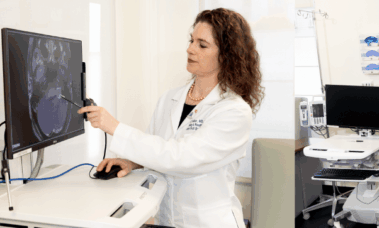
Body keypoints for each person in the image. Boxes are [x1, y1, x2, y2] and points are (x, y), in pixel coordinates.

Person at [78, 8, 262, 228]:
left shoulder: (234, 111)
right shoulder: (170, 98)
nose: (190, 49)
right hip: (167, 220)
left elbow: (180, 158)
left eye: (202, 45)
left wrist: (115, 128)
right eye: (191, 40)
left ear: (226, 55)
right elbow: (155, 148)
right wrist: (133, 162)